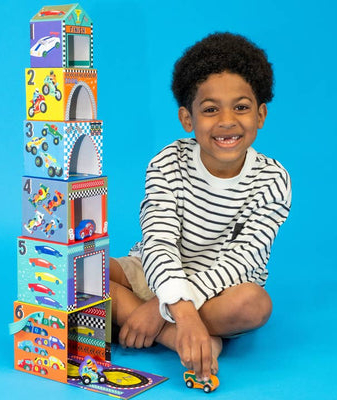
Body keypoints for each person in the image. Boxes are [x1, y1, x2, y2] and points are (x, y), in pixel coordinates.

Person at [110, 32, 291, 383]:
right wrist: (179, 317)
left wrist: (162, 309)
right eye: (210, 109)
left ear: (261, 114)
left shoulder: (272, 179)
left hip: (219, 292)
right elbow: (158, 241)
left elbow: (244, 260)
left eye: (241, 107)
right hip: (155, 273)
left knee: (255, 304)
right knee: (80, 274)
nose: (226, 120)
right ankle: (178, 338)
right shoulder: (166, 163)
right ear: (187, 119)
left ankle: (150, 320)